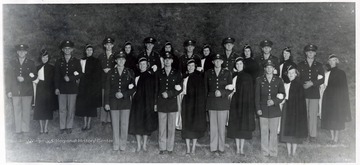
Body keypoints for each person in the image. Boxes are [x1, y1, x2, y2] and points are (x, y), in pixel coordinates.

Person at [104, 51, 135, 151]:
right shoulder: (111, 72)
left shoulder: (130, 72)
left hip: (125, 101)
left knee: (124, 124)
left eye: (123, 59)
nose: (121, 61)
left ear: (125, 60)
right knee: (115, 123)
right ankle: (116, 144)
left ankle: (123, 144)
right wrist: (107, 103)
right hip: (113, 101)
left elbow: (133, 88)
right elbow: (107, 88)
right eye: (119, 59)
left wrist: (124, 94)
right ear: (116, 61)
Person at [204, 54, 233, 155]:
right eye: (215, 61)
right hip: (211, 102)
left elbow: (231, 88)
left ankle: (221, 148)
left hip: (222, 102)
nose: (217, 62)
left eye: (219, 61)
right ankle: (213, 147)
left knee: (221, 126)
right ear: (213, 62)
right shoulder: (208, 73)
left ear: (222, 62)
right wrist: (205, 103)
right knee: (213, 126)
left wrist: (222, 92)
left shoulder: (227, 73)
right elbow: (205, 89)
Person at [255, 59, 285, 157]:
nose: (269, 69)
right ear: (264, 69)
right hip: (263, 109)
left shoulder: (279, 80)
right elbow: (257, 96)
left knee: (273, 132)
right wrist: (258, 109)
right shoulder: (259, 80)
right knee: (264, 132)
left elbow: (282, 94)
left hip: (274, 110)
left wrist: (274, 101)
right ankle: (264, 152)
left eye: (271, 67)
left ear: (273, 69)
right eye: (267, 67)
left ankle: (273, 152)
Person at [155, 52, 182, 155]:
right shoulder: (158, 72)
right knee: (162, 127)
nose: (167, 61)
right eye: (165, 59)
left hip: (171, 103)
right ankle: (162, 147)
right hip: (161, 102)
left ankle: (170, 148)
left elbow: (180, 88)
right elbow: (156, 89)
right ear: (163, 61)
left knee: (171, 127)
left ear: (172, 61)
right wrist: (155, 103)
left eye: (169, 59)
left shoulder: (177, 72)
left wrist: (169, 93)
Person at [128, 57, 158, 152]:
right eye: (140, 64)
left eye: (144, 64)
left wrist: (154, 103)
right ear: (138, 66)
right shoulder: (136, 77)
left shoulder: (151, 77)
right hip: (137, 104)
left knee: (146, 124)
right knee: (137, 123)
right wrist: (132, 91)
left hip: (147, 103)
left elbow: (154, 90)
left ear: (147, 65)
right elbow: (133, 88)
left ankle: (144, 144)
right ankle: (138, 145)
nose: (142, 66)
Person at [6, 44, 37, 134]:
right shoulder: (12, 63)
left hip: (27, 91)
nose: (21, 52)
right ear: (17, 52)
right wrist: (8, 90)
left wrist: (25, 79)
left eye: (23, 51)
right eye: (19, 51)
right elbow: (8, 78)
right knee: (17, 110)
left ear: (26, 52)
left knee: (26, 110)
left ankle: (25, 129)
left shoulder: (31, 63)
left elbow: (35, 76)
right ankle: (18, 130)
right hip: (15, 90)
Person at [227, 57, 255, 155]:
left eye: (240, 64)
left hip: (244, 103)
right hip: (235, 103)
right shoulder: (233, 76)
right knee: (236, 125)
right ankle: (237, 148)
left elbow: (250, 92)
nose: (239, 66)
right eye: (237, 64)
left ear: (243, 65)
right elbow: (232, 89)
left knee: (242, 125)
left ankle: (241, 149)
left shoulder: (248, 76)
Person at [321, 54, 351, 143]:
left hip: (337, 99)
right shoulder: (327, 74)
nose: (332, 62)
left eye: (334, 60)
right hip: (328, 98)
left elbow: (344, 88)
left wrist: (342, 99)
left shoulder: (341, 73)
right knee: (329, 117)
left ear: (337, 61)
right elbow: (324, 86)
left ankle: (336, 138)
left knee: (337, 117)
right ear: (328, 62)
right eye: (330, 61)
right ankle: (332, 138)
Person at [297, 44, 324, 142]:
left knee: (312, 115)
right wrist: (303, 84)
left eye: (312, 52)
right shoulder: (300, 65)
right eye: (308, 51)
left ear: (315, 53)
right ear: (305, 53)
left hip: (314, 93)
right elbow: (297, 78)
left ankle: (312, 135)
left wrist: (312, 83)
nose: (310, 53)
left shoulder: (319, 65)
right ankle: (303, 134)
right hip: (303, 93)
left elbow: (322, 79)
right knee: (303, 114)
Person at [54, 40, 82, 134]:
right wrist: (57, 88)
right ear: (62, 49)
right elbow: (56, 76)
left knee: (71, 108)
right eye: (65, 48)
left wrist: (70, 78)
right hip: (61, 88)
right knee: (62, 108)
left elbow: (80, 74)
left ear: (72, 49)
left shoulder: (76, 61)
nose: (67, 50)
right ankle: (62, 126)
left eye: (69, 48)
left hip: (72, 88)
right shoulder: (59, 61)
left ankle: (69, 126)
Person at [279, 66, 308, 156]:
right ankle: (288, 152)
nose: (291, 74)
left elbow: (300, 100)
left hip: (296, 110)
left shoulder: (299, 85)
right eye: (289, 73)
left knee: (294, 131)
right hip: (287, 108)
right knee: (287, 130)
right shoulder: (286, 84)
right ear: (287, 74)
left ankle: (293, 152)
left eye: (293, 73)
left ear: (296, 74)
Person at [181, 59, 207, 155]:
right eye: (189, 66)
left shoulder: (198, 78)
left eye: (192, 66)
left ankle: (193, 149)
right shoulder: (184, 77)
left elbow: (201, 94)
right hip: (186, 103)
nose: (190, 67)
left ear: (195, 67)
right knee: (186, 124)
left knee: (194, 125)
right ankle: (188, 149)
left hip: (195, 104)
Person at [75, 44, 102, 130]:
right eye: (87, 50)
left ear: (93, 51)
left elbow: (98, 74)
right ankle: (84, 123)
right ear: (85, 51)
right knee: (83, 104)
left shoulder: (96, 61)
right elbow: (79, 72)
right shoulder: (82, 60)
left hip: (92, 86)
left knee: (90, 105)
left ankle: (89, 124)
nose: (89, 51)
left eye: (91, 50)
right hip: (83, 85)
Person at [33, 49, 57, 134]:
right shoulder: (37, 68)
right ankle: (41, 128)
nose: (45, 59)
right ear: (41, 58)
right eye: (43, 57)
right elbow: (35, 79)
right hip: (40, 90)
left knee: (48, 109)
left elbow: (54, 81)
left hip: (49, 91)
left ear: (48, 58)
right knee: (39, 108)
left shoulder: (52, 68)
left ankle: (46, 128)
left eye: (46, 57)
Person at [98, 37, 115, 126]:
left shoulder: (115, 56)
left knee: (111, 98)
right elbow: (98, 69)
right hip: (103, 81)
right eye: (107, 44)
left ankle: (110, 119)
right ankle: (103, 119)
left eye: (110, 44)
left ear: (112, 45)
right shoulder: (101, 56)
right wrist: (103, 70)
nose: (108, 46)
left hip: (112, 81)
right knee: (104, 98)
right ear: (104, 45)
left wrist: (110, 70)